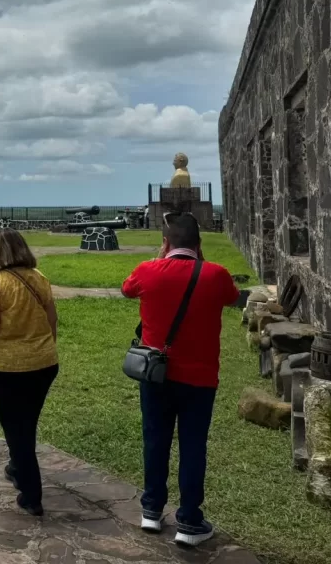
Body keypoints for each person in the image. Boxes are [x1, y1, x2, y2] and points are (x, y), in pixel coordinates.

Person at [121, 213, 240, 548]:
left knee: (155, 440)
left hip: (155, 373)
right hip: (199, 379)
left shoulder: (148, 270)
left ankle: (151, 509)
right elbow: (232, 297)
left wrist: (159, 260)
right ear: (199, 245)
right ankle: (189, 520)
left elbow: (127, 290)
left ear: (166, 242)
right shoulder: (215, 274)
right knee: (192, 446)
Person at [0, 228, 58, 517]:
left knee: (16, 428)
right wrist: (43, 349)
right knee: (26, 422)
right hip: (44, 364)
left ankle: (31, 494)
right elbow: (52, 320)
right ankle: (17, 467)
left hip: (7, 368)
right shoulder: (40, 278)